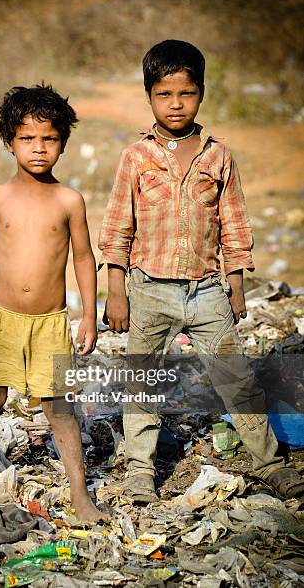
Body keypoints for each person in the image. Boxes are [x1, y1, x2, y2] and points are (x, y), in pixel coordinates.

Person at [99, 40, 304, 503]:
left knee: (237, 380)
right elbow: (117, 224)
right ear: (149, 96)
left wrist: (237, 285)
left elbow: (233, 222)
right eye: (164, 94)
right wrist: (115, 290)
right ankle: (138, 474)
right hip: (148, 289)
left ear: (202, 93)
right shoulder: (136, 157)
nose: (175, 104)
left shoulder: (218, 157)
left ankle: (270, 464)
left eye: (186, 93)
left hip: (207, 289)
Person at [0, 84, 104, 521]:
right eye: (27, 138)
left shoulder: (68, 200)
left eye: (49, 139)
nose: (39, 148)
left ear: (63, 143)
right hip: (3, 321)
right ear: (8, 142)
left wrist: (89, 316)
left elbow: (82, 257)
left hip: (51, 323)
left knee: (59, 408)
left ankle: (79, 494)